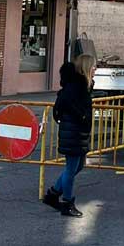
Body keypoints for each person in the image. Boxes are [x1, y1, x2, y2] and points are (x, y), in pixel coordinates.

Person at [43, 54, 95, 217]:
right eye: (94, 66)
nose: (95, 69)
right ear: (86, 67)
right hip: (73, 132)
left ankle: (53, 194)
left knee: (77, 166)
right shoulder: (76, 85)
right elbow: (64, 103)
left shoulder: (83, 84)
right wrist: (82, 116)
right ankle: (67, 202)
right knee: (71, 168)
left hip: (77, 132)